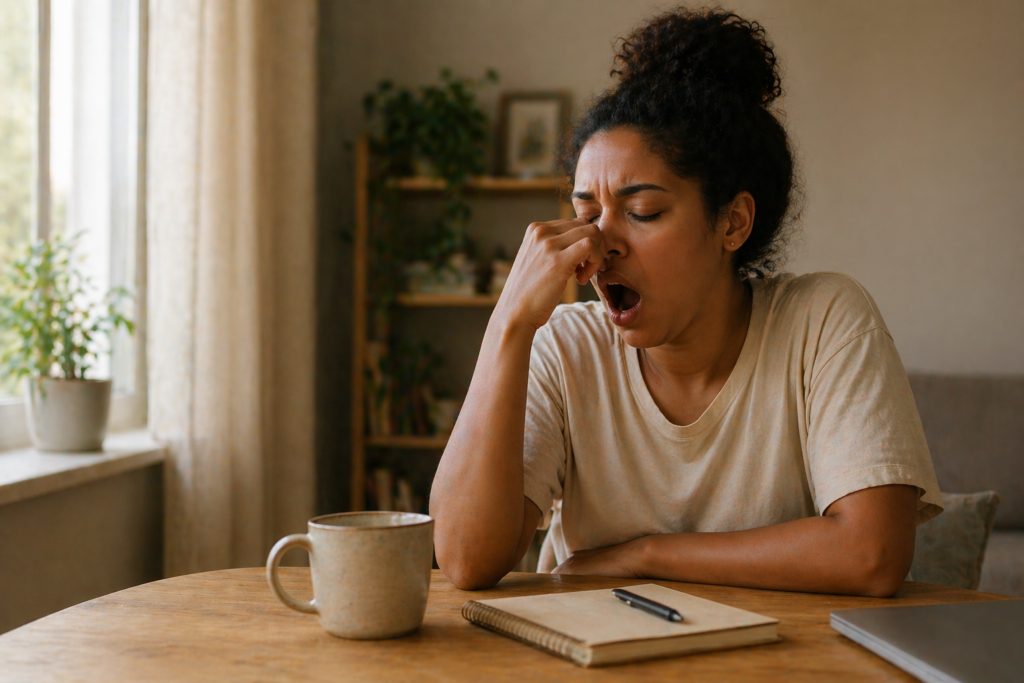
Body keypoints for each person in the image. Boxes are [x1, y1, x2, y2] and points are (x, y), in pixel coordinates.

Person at [429, 7, 941, 596]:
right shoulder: (568, 348)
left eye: (643, 212)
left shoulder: (823, 321)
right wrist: (508, 325)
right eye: (585, 213)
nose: (601, 242)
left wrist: (642, 557)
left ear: (733, 222)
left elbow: (872, 554)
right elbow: (465, 561)